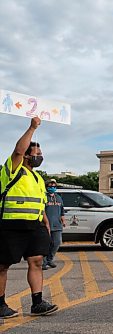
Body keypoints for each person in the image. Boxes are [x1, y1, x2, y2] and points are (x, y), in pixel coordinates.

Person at [0, 116, 58, 319]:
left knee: (36, 261)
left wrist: (45, 221)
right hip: (11, 225)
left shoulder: (37, 177)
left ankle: (37, 302)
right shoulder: (12, 169)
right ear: (26, 155)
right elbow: (17, 150)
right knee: (2, 265)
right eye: (37, 153)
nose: (40, 156)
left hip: (35, 226)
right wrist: (32, 128)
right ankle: (0, 305)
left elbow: (40, 203)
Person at [42, 179, 66, 270]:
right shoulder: (44, 197)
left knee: (56, 243)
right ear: (47, 187)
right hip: (45, 225)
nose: (52, 188)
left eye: (54, 187)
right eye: (50, 186)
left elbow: (62, 210)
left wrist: (63, 220)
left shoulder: (58, 197)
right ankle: (43, 263)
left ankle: (49, 259)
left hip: (57, 225)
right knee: (45, 244)